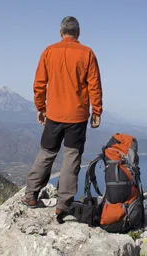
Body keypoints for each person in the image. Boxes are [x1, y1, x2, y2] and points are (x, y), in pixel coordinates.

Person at [24, 16, 103, 215]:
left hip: (54, 114)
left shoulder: (49, 51)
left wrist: (41, 108)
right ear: (78, 33)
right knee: (71, 158)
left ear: (61, 33)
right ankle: (63, 205)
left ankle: (31, 195)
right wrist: (97, 111)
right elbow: (94, 85)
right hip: (77, 117)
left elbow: (39, 84)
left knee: (46, 153)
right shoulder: (87, 53)